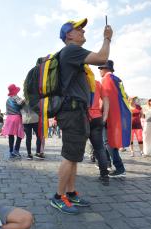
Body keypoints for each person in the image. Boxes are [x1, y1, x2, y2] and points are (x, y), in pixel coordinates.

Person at [50, 18, 113, 215]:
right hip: (72, 111)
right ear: (68, 35)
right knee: (69, 157)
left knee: (74, 156)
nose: (83, 32)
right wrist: (107, 39)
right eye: (79, 29)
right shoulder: (71, 50)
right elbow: (102, 58)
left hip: (76, 111)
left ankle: (70, 192)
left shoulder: (69, 53)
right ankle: (58, 197)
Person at [99, 61, 128, 177]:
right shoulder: (117, 79)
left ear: (105, 68)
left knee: (108, 142)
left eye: (100, 68)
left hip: (109, 115)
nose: (99, 70)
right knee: (107, 141)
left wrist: (102, 114)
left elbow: (105, 99)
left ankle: (119, 167)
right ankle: (108, 164)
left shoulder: (106, 80)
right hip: (117, 114)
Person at [88, 80, 109, 181]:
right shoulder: (96, 83)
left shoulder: (76, 80)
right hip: (97, 117)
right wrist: (104, 116)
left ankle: (71, 172)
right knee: (99, 148)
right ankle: (104, 173)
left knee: (75, 147)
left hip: (82, 118)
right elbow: (106, 99)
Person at [1, 84, 25, 158]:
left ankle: (11, 151)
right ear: (15, 91)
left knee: (11, 135)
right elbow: (21, 104)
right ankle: (16, 150)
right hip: (16, 117)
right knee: (19, 134)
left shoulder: (8, 100)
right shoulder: (16, 97)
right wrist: (24, 100)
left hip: (9, 118)